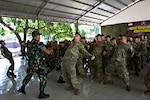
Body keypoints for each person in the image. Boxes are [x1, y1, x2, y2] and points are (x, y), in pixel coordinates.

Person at [18, 31, 53, 99]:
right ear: (36, 36)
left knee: (29, 75)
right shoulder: (39, 44)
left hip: (31, 64)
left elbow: (23, 44)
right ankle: (41, 93)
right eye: (39, 36)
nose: (39, 37)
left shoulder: (29, 44)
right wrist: (51, 49)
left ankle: (22, 88)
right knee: (43, 78)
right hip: (38, 65)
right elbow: (48, 52)